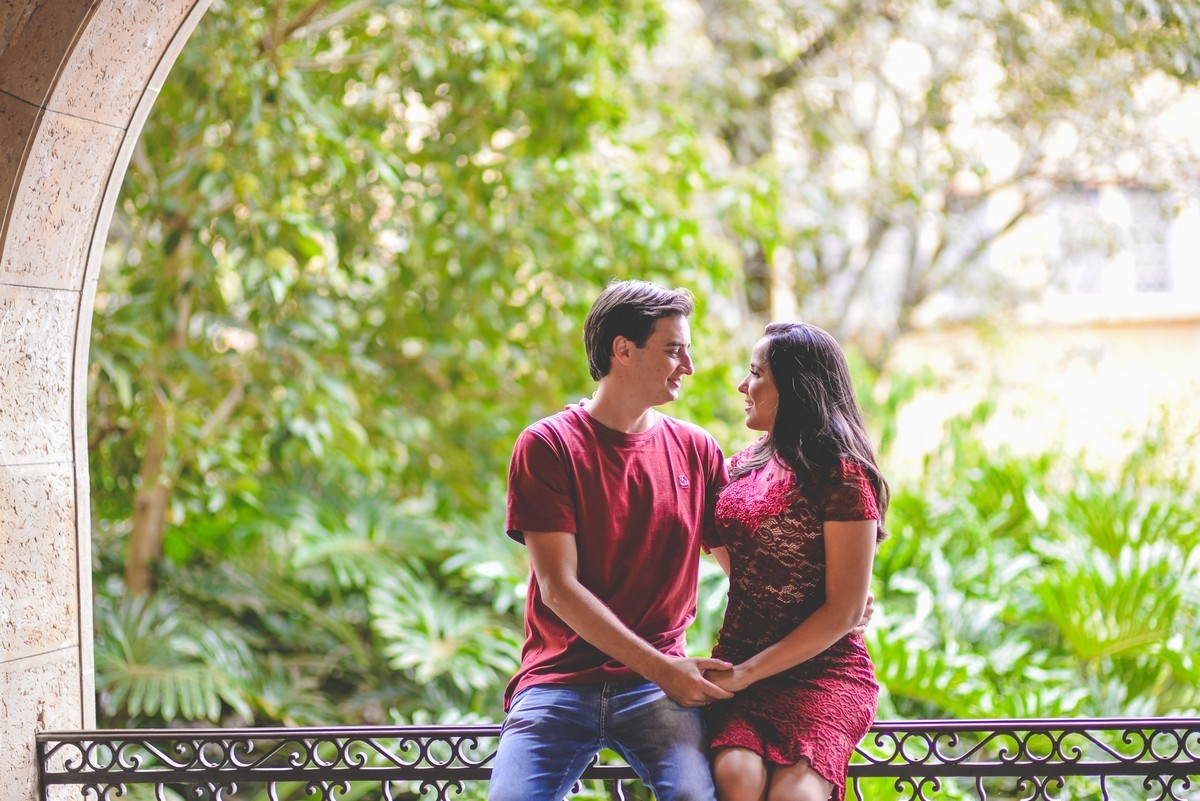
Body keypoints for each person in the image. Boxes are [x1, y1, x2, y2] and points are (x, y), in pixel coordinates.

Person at [488, 279, 734, 801]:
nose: (688, 365)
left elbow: (744, 569)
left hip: (655, 691)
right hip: (557, 683)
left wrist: (832, 601)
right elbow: (558, 588)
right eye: (673, 350)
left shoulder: (697, 450)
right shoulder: (548, 445)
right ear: (623, 350)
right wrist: (664, 669)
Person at [703, 322, 889, 801]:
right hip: (741, 660)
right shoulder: (741, 467)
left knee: (794, 797)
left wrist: (746, 673)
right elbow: (737, 559)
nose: (743, 387)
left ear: (795, 386)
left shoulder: (842, 475)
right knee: (737, 778)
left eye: (755, 373)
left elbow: (844, 611)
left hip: (823, 670)